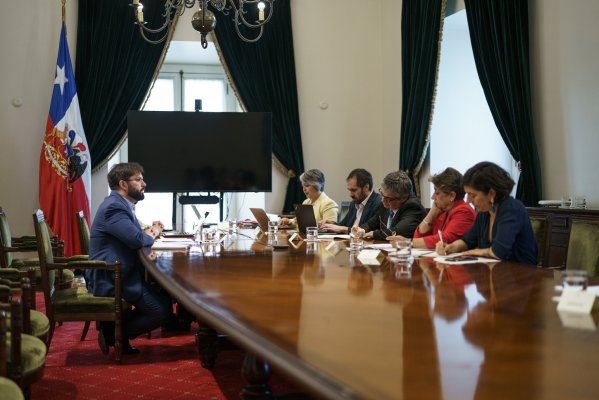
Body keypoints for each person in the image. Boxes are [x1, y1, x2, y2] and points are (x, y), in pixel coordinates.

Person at [89, 162, 175, 355]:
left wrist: (149, 232)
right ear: (123, 184)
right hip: (112, 276)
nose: (144, 183)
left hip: (122, 271)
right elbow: (137, 240)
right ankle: (112, 333)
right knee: (161, 311)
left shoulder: (121, 204)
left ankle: (113, 328)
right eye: (138, 180)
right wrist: (153, 232)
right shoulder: (114, 208)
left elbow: (135, 234)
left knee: (165, 298)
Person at [436, 161, 537, 265]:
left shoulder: (511, 209)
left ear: (491, 193)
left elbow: (499, 252)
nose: (468, 201)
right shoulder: (484, 212)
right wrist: (450, 247)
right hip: (497, 274)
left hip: (523, 275)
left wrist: (476, 252)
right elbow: (467, 241)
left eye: (472, 195)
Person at [388, 167, 475, 249]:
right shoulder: (442, 211)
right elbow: (418, 237)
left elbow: (445, 239)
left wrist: (407, 242)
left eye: (437, 193)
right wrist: (431, 214)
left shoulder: (464, 211)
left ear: (452, 196)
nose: (433, 197)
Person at [352, 170, 426, 240]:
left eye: (388, 198)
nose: (383, 200)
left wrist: (374, 234)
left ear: (403, 198)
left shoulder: (413, 207)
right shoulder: (386, 202)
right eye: (382, 194)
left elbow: (397, 231)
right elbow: (371, 223)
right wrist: (362, 229)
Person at [320, 168, 382, 234]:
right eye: (350, 190)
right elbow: (343, 225)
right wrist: (332, 224)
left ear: (366, 187)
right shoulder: (354, 203)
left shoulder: (379, 203)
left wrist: (345, 229)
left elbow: (368, 230)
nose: (350, 195)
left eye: (354, 190)